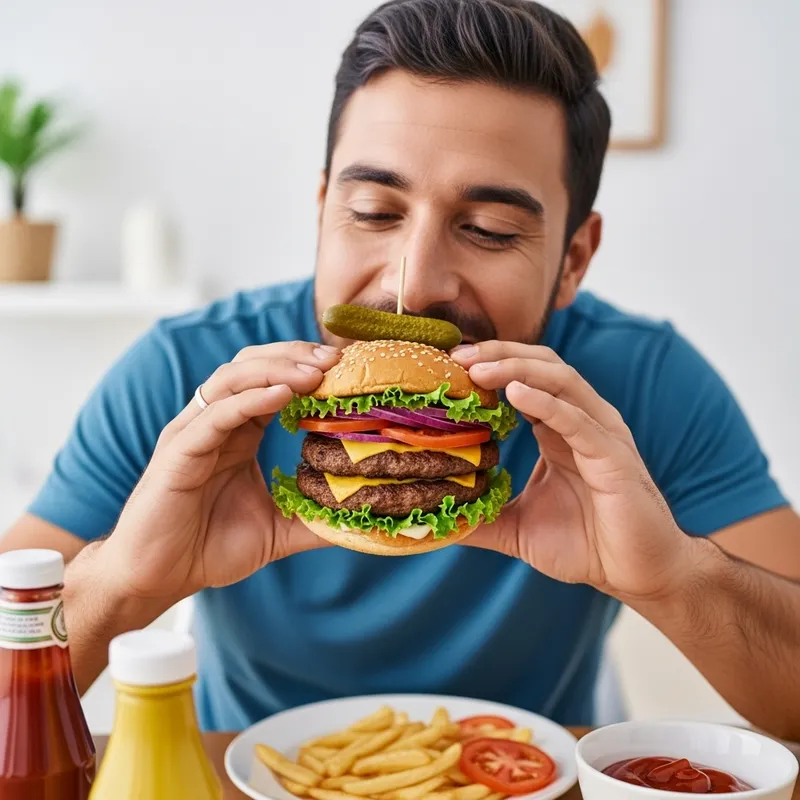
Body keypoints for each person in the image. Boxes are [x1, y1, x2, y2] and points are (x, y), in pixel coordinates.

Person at [5, 0, 800, 737]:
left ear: (573, 260)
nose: (413, 284)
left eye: (487, 229)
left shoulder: (641, 380)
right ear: (322, 210)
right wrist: (119, 587)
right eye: (374, 214)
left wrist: (674, 579)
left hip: (525, 773)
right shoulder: (190, 370)